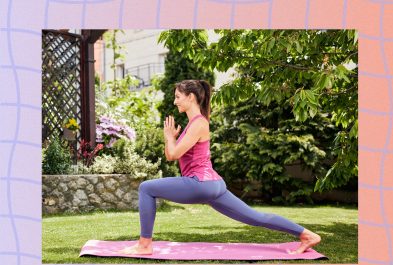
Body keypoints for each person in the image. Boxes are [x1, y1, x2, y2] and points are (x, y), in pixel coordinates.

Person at [120, 79, 321, 255]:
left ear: (190, 97)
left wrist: (168, 138)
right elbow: (171, 153)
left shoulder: (198, 123)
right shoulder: (196, 123)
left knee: (146, 188)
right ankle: (307, 234)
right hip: (213, 185)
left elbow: (172, 155)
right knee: (255, 217)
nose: (175, 101)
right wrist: (171, 138)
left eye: (178, 96)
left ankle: (145, 244)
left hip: (200, 183)